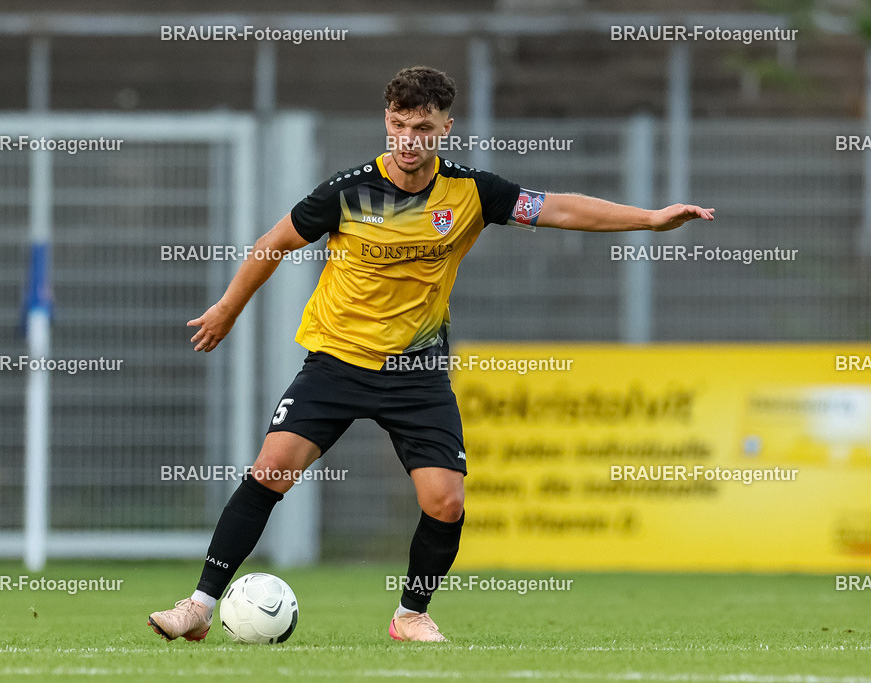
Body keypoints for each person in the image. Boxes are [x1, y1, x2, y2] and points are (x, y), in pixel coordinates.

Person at [148, 65, 714, 643]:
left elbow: (559, 209)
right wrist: (227, 309)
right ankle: (197, 606)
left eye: (422, 126)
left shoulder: (470, 192)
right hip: (337, 361)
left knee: (445, 501)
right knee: (270, 472)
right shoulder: (349, 191)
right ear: (385, 121)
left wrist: (649, 219)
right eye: (398, 125)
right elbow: (274, 243)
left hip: (416, 371)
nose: (408, 140)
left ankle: (410, 614)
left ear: (446, 126)